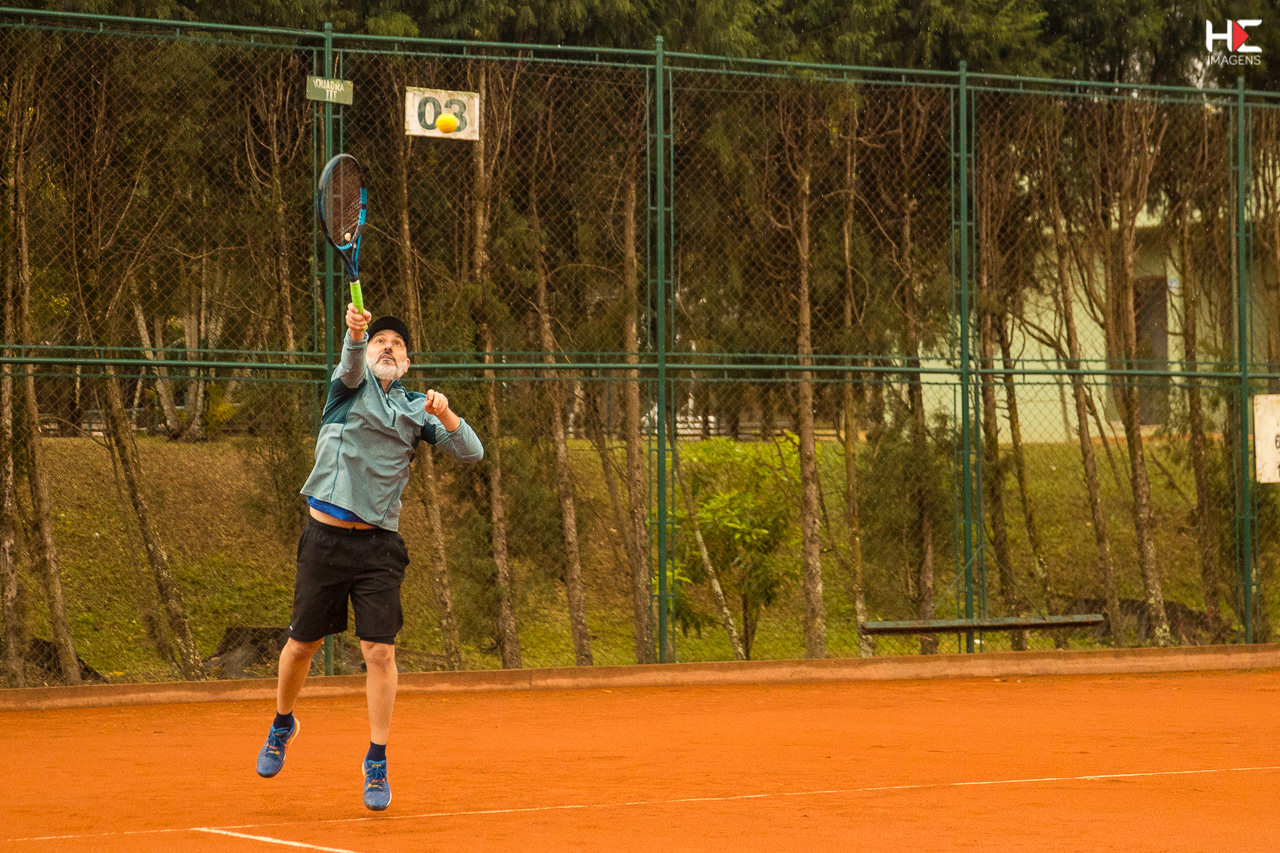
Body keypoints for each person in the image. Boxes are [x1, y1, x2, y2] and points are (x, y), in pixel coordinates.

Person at [255, 303, 484, 811]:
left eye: (397, 344)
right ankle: (282, 723)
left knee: (380, 653)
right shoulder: (347, 388)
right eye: (382, 340)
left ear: (407, 363)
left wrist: (445, 413)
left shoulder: (414, 410)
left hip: (379, 546)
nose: (388, 347)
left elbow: (472, 452)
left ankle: (376, 760)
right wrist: (355, 334)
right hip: (325, 540)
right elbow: (352, 360)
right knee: (302, 646)